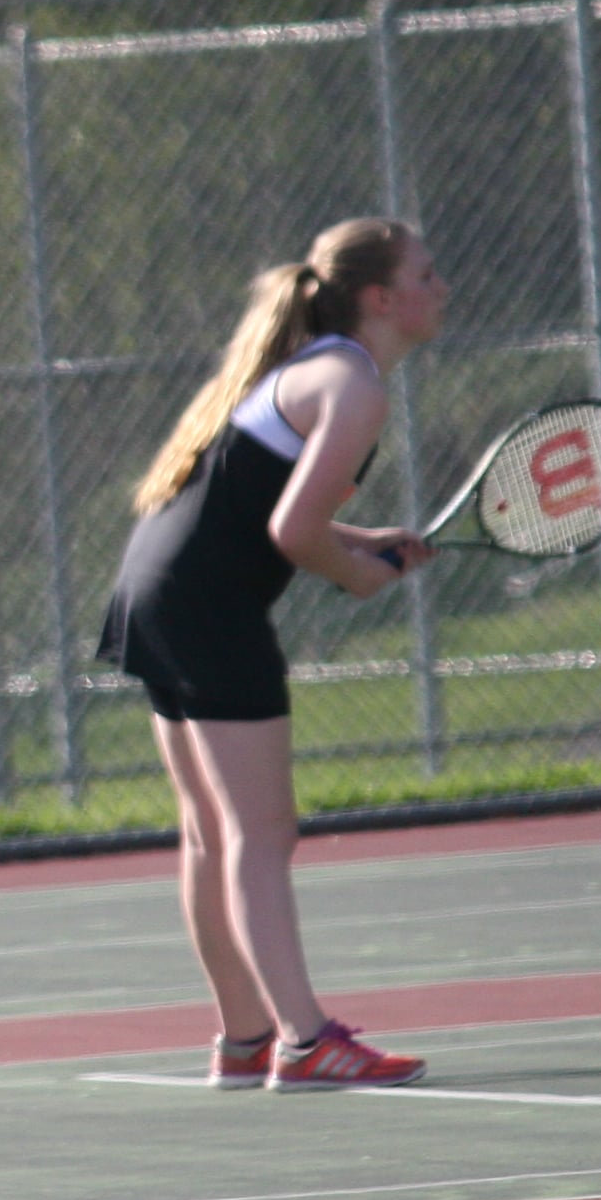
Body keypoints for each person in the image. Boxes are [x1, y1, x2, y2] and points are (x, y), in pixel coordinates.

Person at [102, 217, 446, 1093]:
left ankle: (246, 1037)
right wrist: (355, 576)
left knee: (213, 835)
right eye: (426, 274)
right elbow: (290, 531)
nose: (441, 289)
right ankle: (305, 1042)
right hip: (207, 604)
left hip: (158, 583)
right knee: (262, 834)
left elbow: (262, 505)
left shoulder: (312, 371)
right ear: (381, 298)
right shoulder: (353, 384)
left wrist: (363, 539)